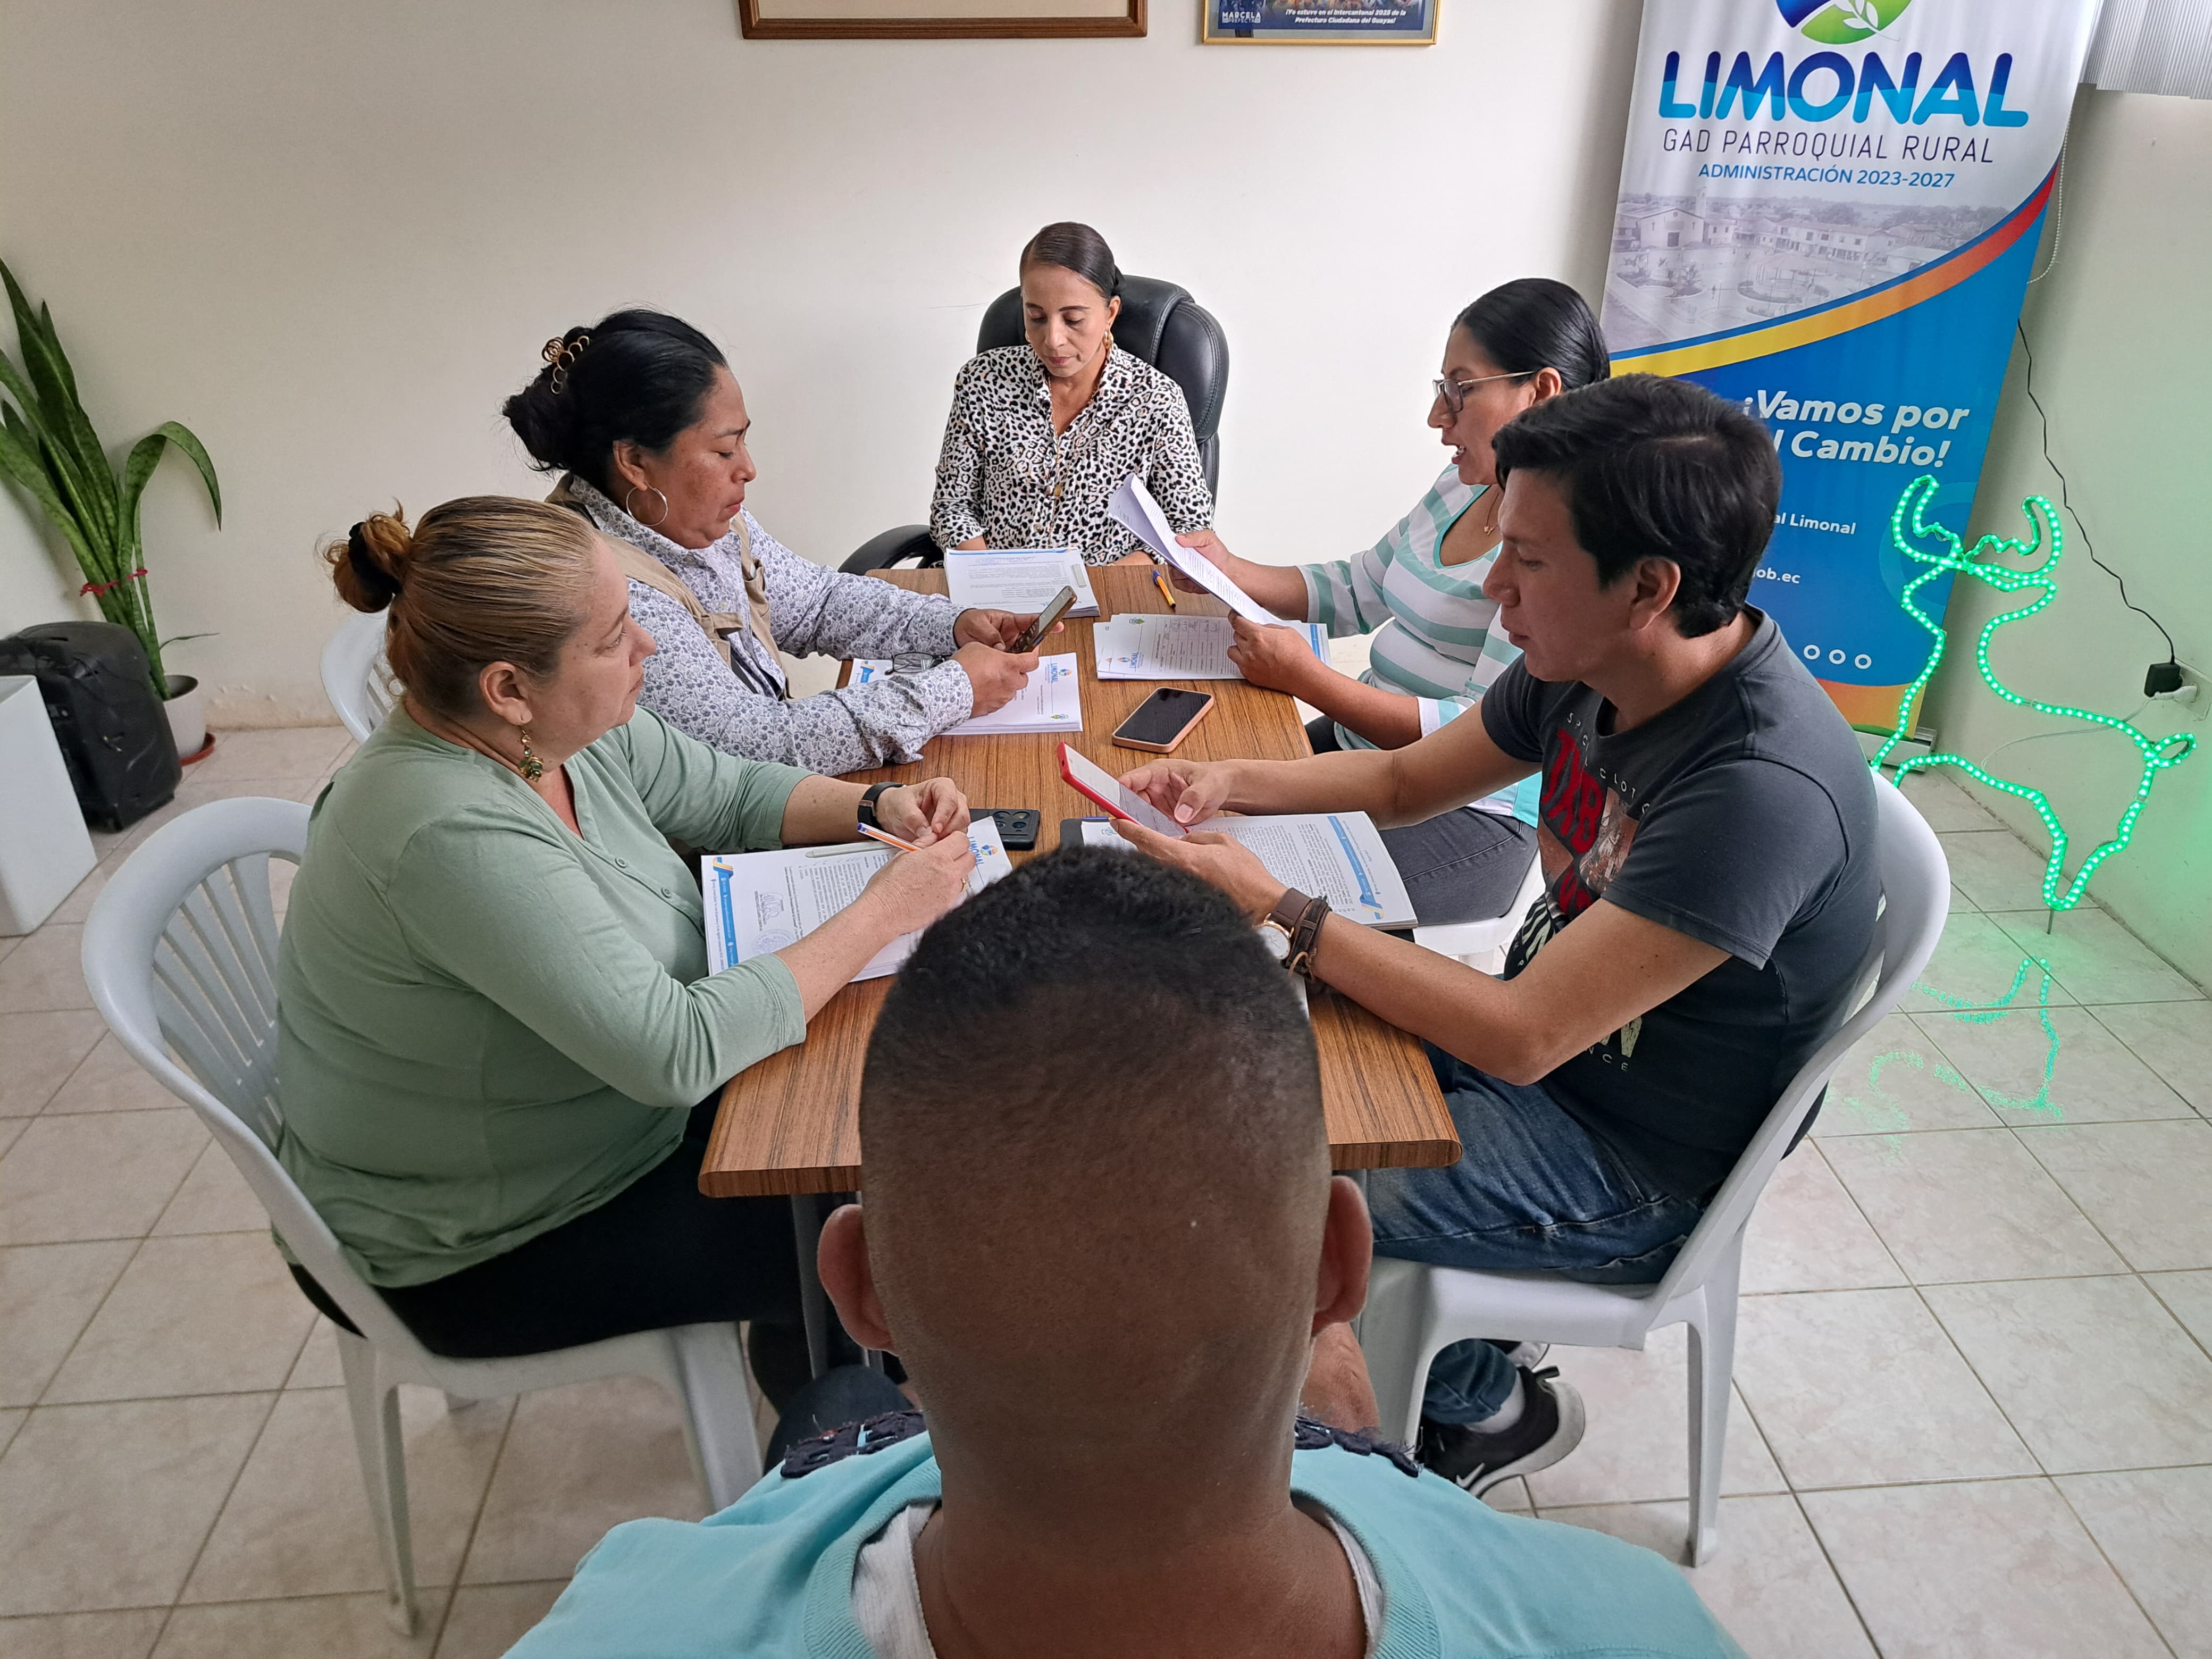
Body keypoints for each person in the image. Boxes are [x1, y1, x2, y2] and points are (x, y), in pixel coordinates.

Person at [505, 852, 1746, 1659]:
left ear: (859, 1288)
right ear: (1338, 1272)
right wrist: (1356, 1452)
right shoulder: (1626, 1624)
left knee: (826, 1409)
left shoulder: (625, 1616)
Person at [1115, 375, 1880, 1492]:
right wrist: (1228, 780)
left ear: (1649, 588)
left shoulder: (1757, 790)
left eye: (1526, 558)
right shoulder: (1586, 665)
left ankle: (1484, 1406)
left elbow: (1523, 1037)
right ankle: (1455, 1370)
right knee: (1227, 1056)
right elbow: (1403, 781)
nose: (1493, 585)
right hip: (1548, 1054)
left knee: (1252, 1192)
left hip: (1630, 1159)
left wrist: (1281, 906)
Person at [276, 496, 977, 1386]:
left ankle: (811, 1349)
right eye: (613, 638)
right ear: (507, 687)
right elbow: (676, 1053)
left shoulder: (549, 731)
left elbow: (730, 792)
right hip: (490, 1238)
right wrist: (882, 911)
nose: (646, 645)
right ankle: (829, 1400)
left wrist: (877, 807)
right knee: (885, 1252)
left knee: (868, 1135)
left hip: (605, 1119)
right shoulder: (447, 834)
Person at [1171, 279, 1611, 926]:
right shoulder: (1462, 484)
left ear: (1540, 390)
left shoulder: (1557, 548)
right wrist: (1229, 568)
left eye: (1460, 389)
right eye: (1441, 388)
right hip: (1369, 760)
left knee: (1224, 900)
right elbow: (1360, 587)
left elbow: (1471, 733)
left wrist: (1308, 679)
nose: (1437, 416)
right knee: (1187, 815)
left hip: (1468, 809)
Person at [506, 309, 1051, 776]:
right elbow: (757, 750)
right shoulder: (602, 589)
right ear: (635, 463)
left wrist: (952, 626)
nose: (748, 469)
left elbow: (815, 602)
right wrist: (953, 690)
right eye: (724, 451)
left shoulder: (688, 517)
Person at [930, 222, 1214, 566]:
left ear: (1110, 314)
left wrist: (1096, 587)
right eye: (1036, 317)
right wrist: (991, 580)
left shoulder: (1156, 399)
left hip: (1107, 590)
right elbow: (953, 507)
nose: (1053, 340)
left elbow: (1189, 531)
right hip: (993, 586)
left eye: (1074, 320)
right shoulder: (983, 381)